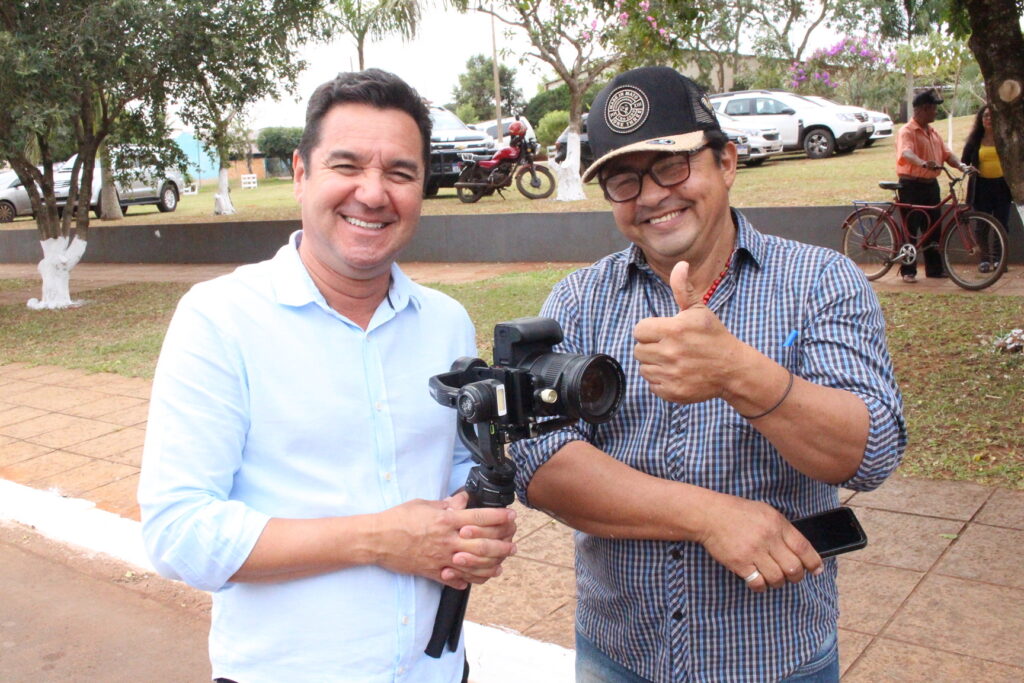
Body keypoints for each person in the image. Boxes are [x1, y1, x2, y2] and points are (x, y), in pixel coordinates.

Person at [509, 66, 906, 682]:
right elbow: (540, 463)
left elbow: (869, 452)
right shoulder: (578, 300)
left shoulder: (820, 283)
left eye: (672, 165)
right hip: (619, 651)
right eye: (622, 178)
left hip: (773, 654)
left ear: (726, 161)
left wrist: (739, 373)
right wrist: (712, 517)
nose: (650, 195)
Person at [138, 69, 517, 683]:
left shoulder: (444, 322)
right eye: (347, 165)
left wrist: (475, 523)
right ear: (300, 172)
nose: (373, 193)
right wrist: (377, 538)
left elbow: (454, 466)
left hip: (437, 670)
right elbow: (180, 533)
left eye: (400, 173)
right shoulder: (220, 319)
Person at [895, 88, 973, 282]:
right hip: (911, 185)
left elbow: (947, 155)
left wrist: (963, 167)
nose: (934, 112)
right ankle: (908, 271)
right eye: (931, 108)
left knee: (934, 228)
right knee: (910, 228)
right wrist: (922, 162)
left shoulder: (933, 132)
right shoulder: (907, 131)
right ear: (921, 110)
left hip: (931, 185)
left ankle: (934, 269)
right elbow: (906, 153)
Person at [961, 104, 1012, 272]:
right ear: (981, 120)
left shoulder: (1004, 138)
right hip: (981, 187)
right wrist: (969, 169)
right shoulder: (975, 140)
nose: (989, 119)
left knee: (1001, 223)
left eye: (992, 116)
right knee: (982, 225)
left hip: (1002, 186)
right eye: (985, 116)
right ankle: (984, 260)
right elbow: (963, 161)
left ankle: (999, 259)